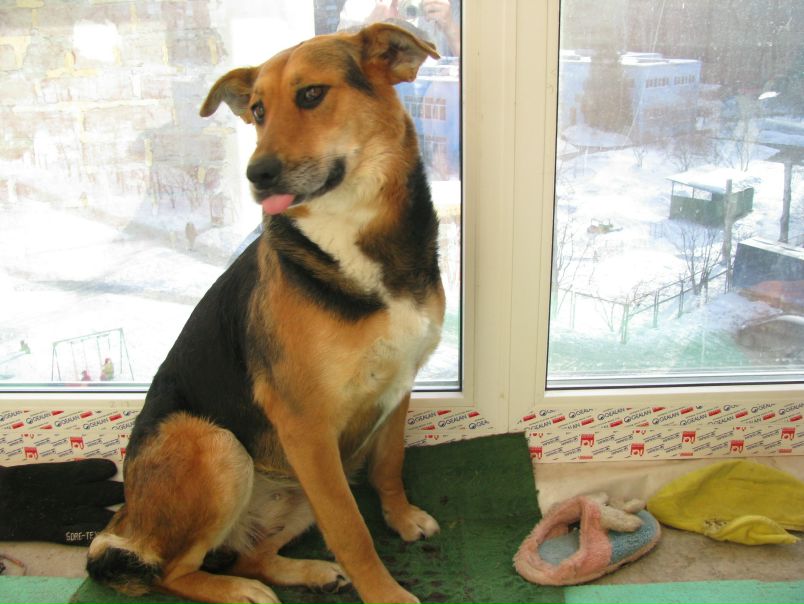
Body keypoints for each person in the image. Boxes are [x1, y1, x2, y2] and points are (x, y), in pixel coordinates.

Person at [338, 0, 460, 57]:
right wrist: (369, 30)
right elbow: (339, 64)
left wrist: (449, 27)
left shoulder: (445, 6)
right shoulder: (358, 5)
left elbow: (469, 71)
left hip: (431, 96)